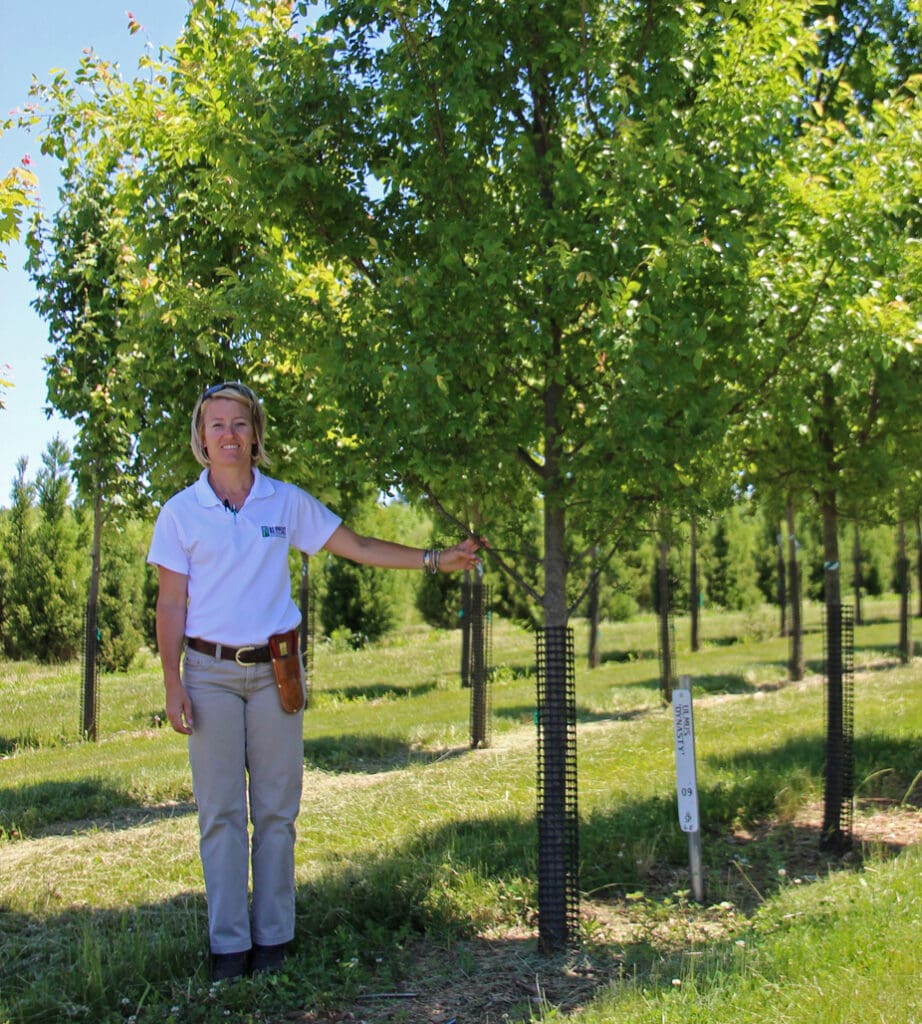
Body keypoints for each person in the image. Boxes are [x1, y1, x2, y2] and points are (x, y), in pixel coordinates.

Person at [147, 381, 481, 982]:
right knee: (220, 814)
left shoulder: (285, 503)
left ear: (256, 435)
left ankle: (273, 942)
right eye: (217, 425)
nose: (229, 434)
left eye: (240, 424)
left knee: (276, 812)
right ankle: (229, 948)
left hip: (277, 673)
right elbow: (170, 606)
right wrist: (173, 685)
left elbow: (355, 545)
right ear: (201, 438)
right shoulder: (179, 514)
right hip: (208, 674)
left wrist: (436, 559)